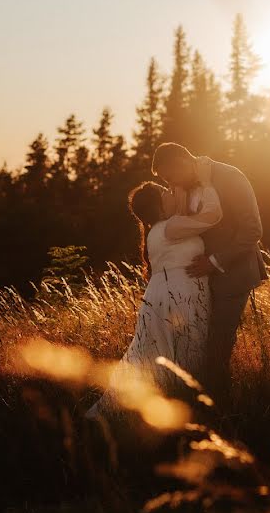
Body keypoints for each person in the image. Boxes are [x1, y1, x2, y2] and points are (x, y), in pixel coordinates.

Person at [84, 178, 223, 419]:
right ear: (159, 205)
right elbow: (213, 215)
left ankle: (141, 407)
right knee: (187, 353)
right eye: (165, 191)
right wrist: (208, 182)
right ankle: (185, 409)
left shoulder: (157, 230)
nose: (171, 191)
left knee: (151, 355)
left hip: (161, 295)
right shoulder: (173, 226)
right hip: (181, 295)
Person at [151, 142, 267, 411]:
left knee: (217, 347)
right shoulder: (183, 188)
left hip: (232, 274)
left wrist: (213, 262)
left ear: (182, 160)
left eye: (169, 177)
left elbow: (252, 230)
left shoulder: (230, 177)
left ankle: (220, 411)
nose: (169, 184)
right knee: (199, 343)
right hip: (199, 282)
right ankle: (201, 401)